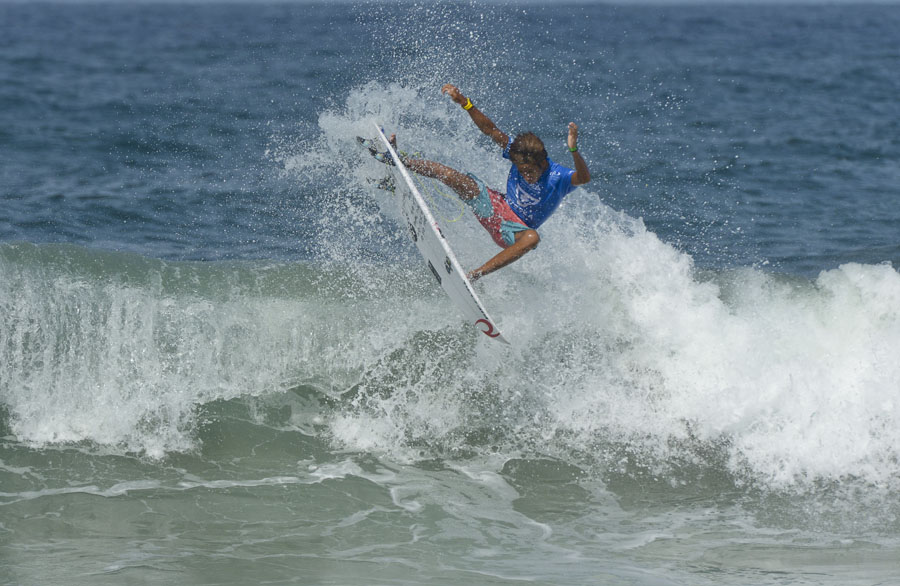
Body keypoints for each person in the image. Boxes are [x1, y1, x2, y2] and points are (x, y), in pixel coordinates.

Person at [379, 83, 591, 282]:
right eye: (521, 170)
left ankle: (474, 275)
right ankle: (399, 160)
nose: (526, 175)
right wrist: (465, 102)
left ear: (542, 162)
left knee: (532, 238)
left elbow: (583, 178)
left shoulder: (558, 176)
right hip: (495, 207)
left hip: (513, 230)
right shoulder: (516, 154)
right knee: (453, 176)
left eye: (530, 171)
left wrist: (573, 149)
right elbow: (490, 130)